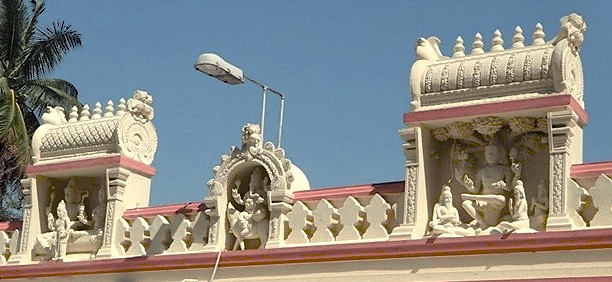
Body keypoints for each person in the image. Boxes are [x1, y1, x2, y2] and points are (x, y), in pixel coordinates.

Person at [455, 139, 520, 228]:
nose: (489, 155)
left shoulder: (505, 169)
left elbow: (509, 188)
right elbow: (476, 189)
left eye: (492, 153)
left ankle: (472, 197)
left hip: (497, 201)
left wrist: (503, 185)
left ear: (498, 155)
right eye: (487, 153)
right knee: (465, 203)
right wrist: (467, 185)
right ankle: (482, 223)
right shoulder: (481, 171)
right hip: (484, 202)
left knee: (500, 199)